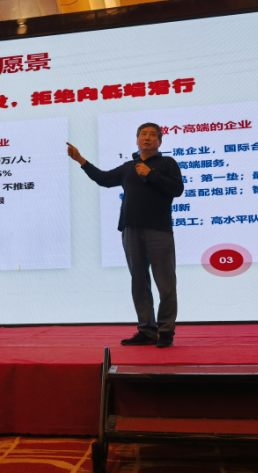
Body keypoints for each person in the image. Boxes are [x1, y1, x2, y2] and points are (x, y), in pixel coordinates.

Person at [67, 123, 184, 348]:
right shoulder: (130, 166)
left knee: (166, 283)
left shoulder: (167, 163)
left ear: (160, 142)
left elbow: (177, 190)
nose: (147, 138)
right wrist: (81, 160)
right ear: (137, 140)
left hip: (158, 229)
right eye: (143, 134)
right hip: (130, 229)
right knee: (139, 282)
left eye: (152, 135)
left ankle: (166, 332)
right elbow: (104, 179)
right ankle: (147, 331)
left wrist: (151, 174)